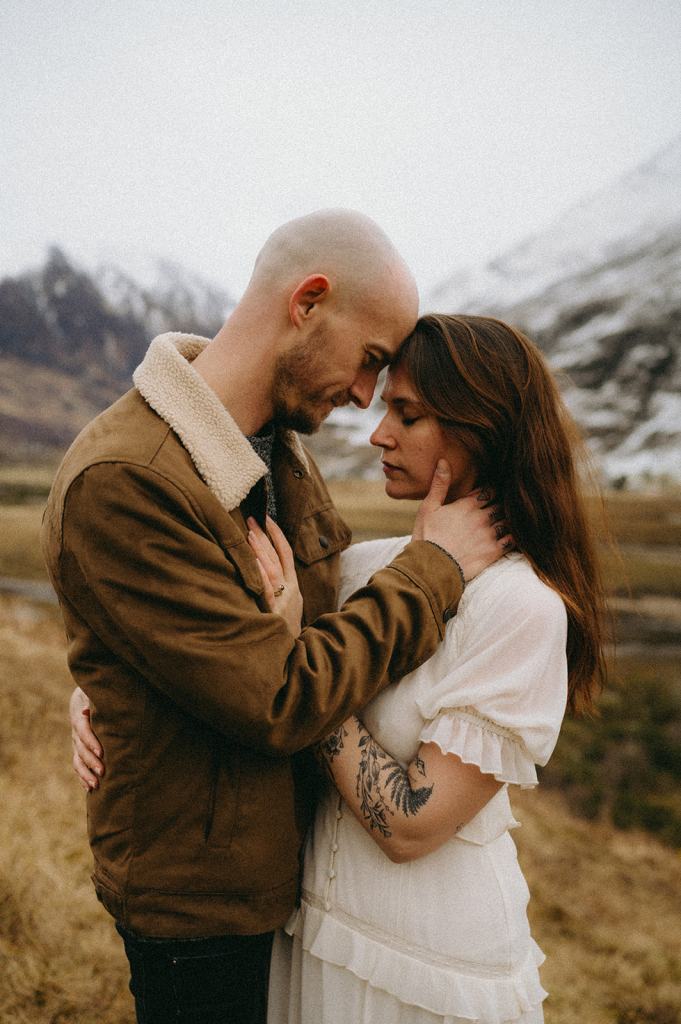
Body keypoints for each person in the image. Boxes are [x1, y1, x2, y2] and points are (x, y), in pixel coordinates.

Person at [48, 210, 509, 1024]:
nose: (366, 398)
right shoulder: (127, 476)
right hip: (201, 906)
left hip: (284, 873)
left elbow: (256, 624)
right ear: (308, 302)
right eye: (370, 361)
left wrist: (105, 676)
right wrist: (433, 569)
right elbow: (278, 695)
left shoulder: (271, 447)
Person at [248, 314, 607, 1024]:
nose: (379, 433)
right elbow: (214, 641)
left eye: (407, 414)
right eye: (384, 408)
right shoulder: (360, 567)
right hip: (319, 933)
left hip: (427, 969)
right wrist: (100, 698)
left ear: (482, 428)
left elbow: (410, 823)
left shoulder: (522, 609)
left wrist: (301, 668)